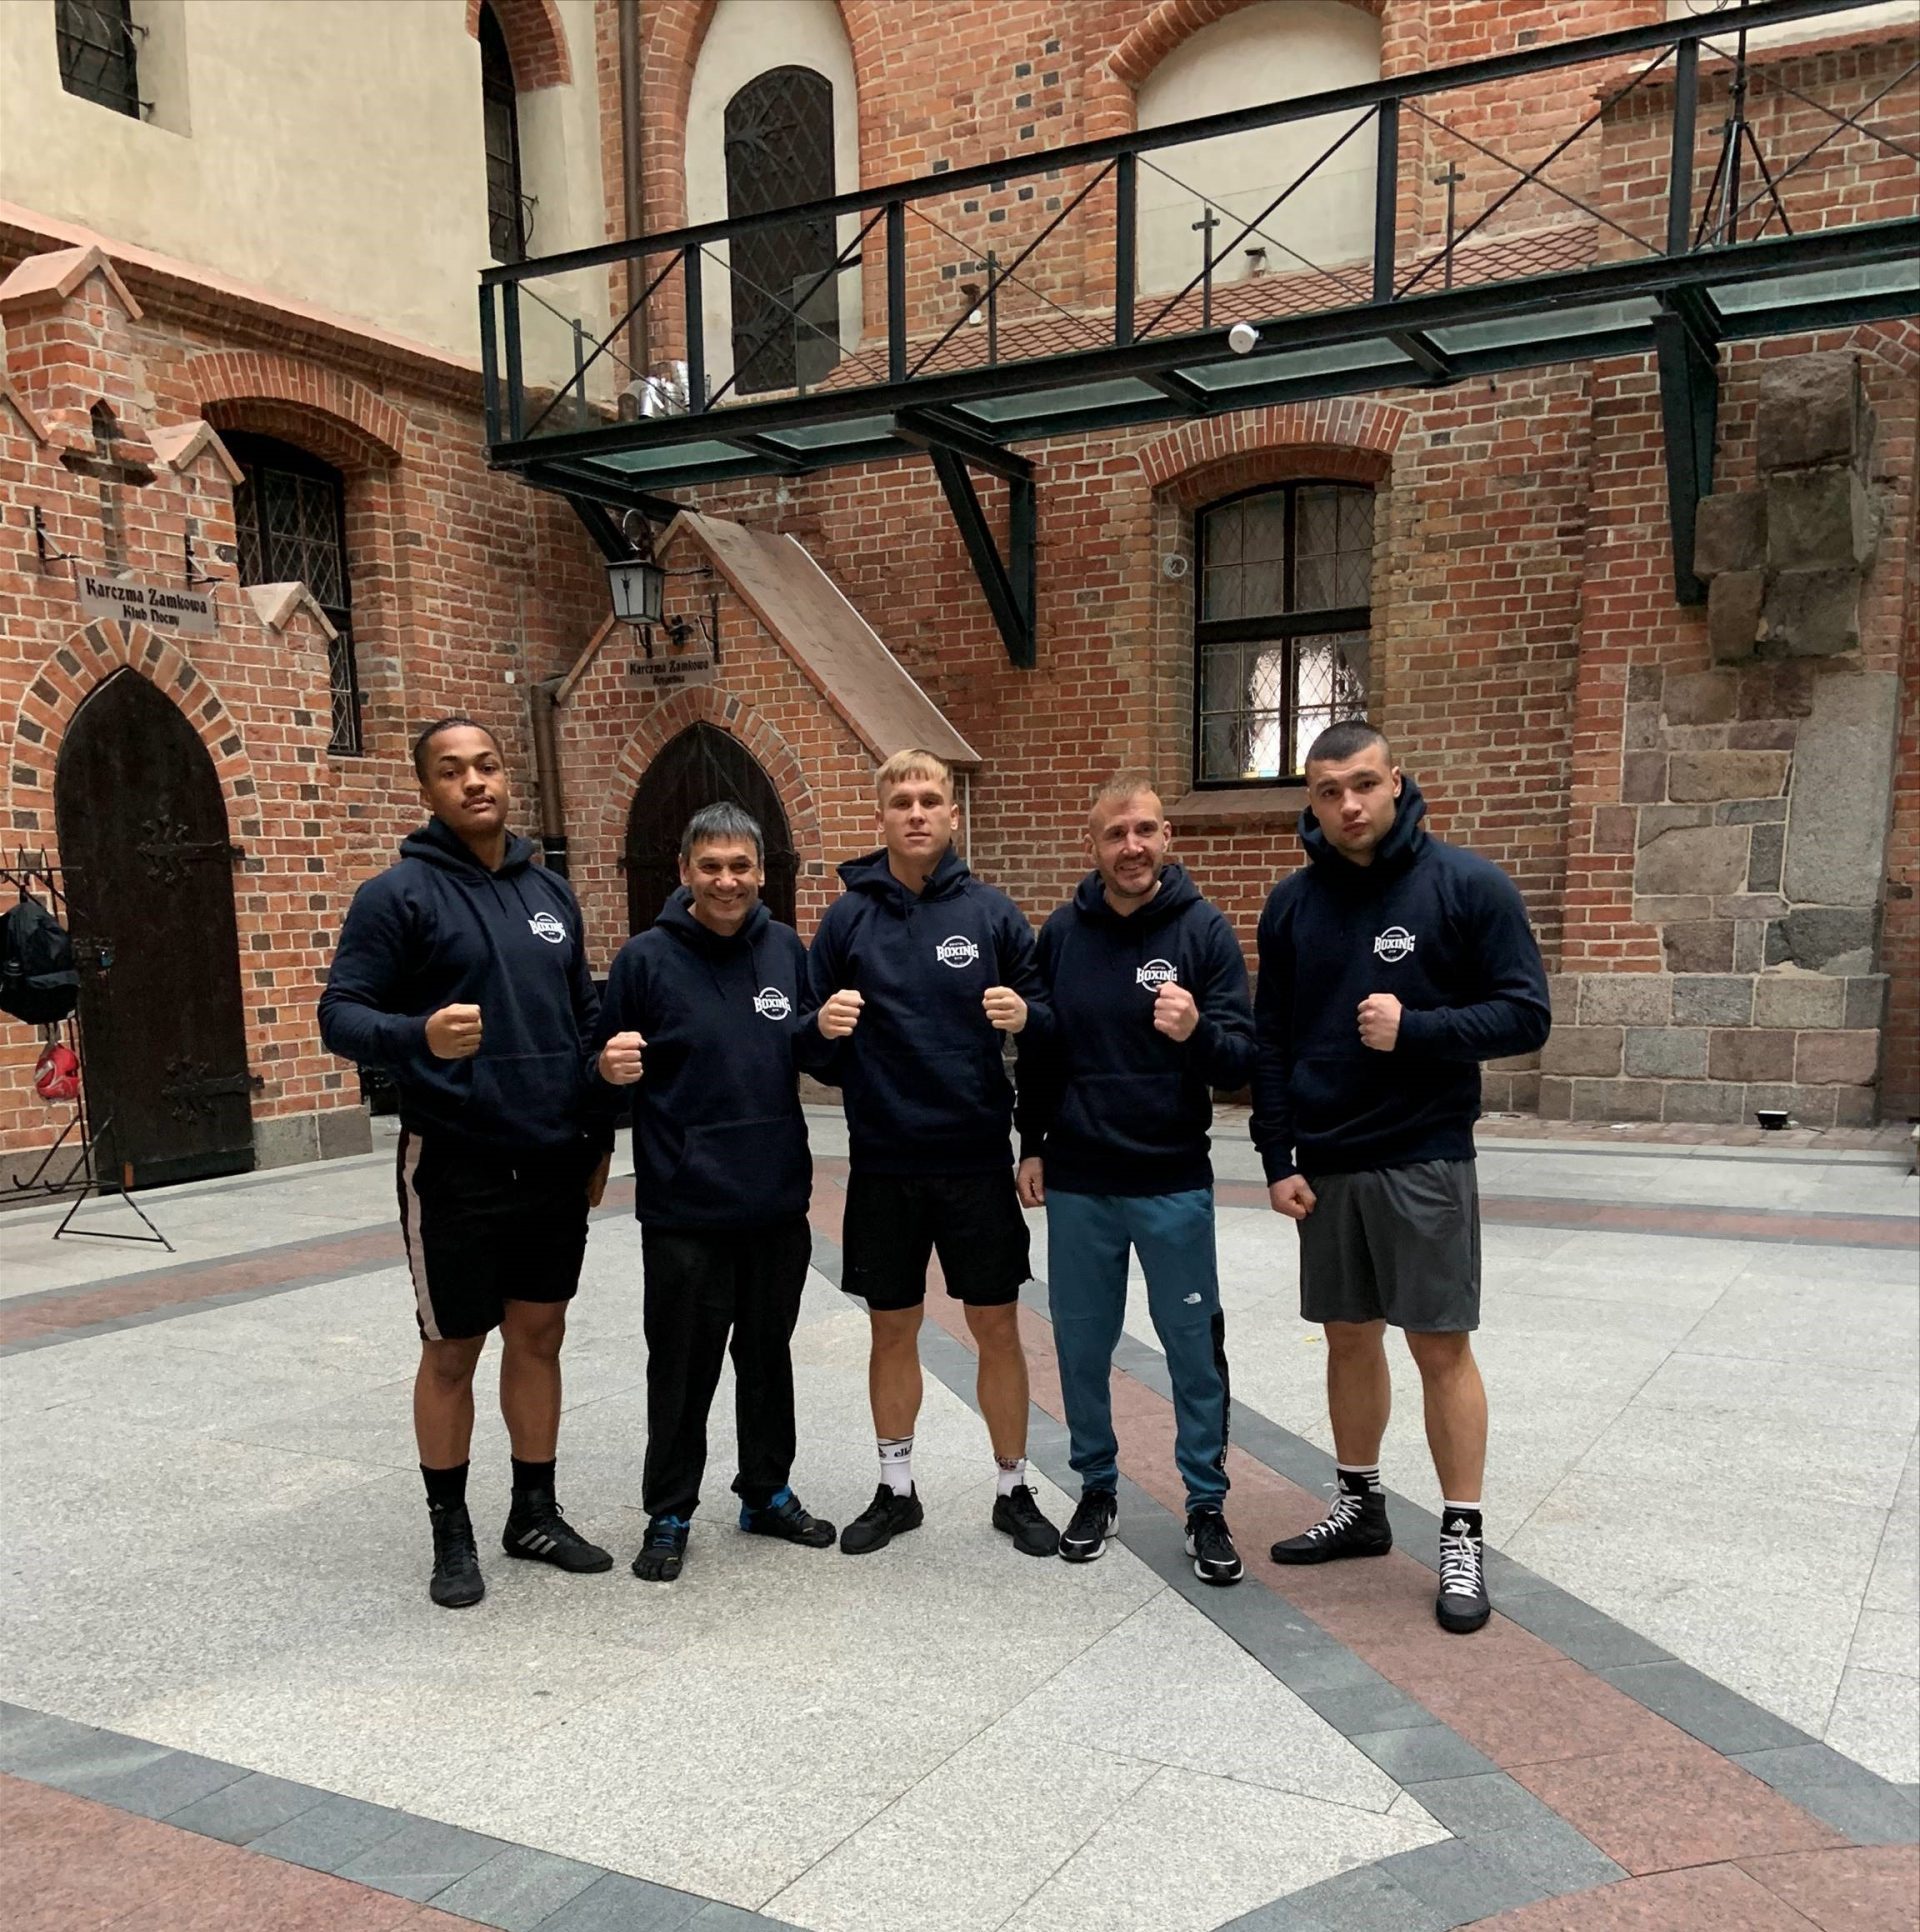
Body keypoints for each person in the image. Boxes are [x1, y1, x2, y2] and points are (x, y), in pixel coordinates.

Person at [1251, 720, 1550, 1635]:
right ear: (1312, 799)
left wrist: (1418, 1029)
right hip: (1328, 1164)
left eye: (1365, 785)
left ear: (1397, 783)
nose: (1349, 804)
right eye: (1330, 790)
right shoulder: (1293, 904)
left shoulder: (1467, 885)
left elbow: (1525, 1014)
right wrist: (1277, 1157)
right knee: (1348, 1339)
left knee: (1439, 1346)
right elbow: (1272, 1039)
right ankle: (1361, 1506)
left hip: (1423, 1156)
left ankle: (1461, 1533)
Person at [319, 717, 614, 1610]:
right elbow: (341, 1013)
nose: (475, 781)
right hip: (455, 1163)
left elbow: (585, 1022)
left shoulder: (551, 893)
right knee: (452, 1349)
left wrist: (598, 1134)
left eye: (486, 765)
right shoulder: (396, 896)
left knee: (540, 1336)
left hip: (554, 1157)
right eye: (452, 771)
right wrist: (418, 1036)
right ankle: (452, 1531)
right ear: (428, 790)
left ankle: (534, 1512)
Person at [808, 748, 1060, 1559]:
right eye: (901, 801)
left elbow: (1050, 1022)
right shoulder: (847, 919)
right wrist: (823, 1029)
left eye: (931, 800)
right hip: (884, 1161)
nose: (916, 813)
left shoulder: (991, 915)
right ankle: (895, 1489)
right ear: (879, 815)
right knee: (892, 1329)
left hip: (974, 1160)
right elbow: (807, 1043)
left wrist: (1026, 1016)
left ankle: (1013, 1490)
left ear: (954, 815)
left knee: (997, 1327)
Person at [589, 802, 837, 1584]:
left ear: (762, 873)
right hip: (684, 1208)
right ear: (685, 872)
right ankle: (669, 1511)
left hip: (773, 1200)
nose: (726, 880)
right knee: (684, 1365)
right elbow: (603, 1072)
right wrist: (606, 1076)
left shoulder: (786, 951)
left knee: (767, 1358)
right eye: (711, 866)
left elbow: (811, 1056)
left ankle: (765, 1493)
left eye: (740, 866)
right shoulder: (644, 962)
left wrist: (828, 1034)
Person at [1016, 775, 1255, 1584]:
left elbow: (1243, 1057)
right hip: (1081, 1178)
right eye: (1116, 833)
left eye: (1147, 830)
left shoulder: (1203, 932)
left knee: (1194, 1347)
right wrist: (1032, 1144)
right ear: (1094, 845)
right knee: (1081, 1346)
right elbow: (1040, 1050)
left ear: (1167, 839)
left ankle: (1206, 1503)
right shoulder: (1061, 934)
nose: (1133, 846)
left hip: (1170, 1179)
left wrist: (1194, 1033)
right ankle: (1096, 1486)